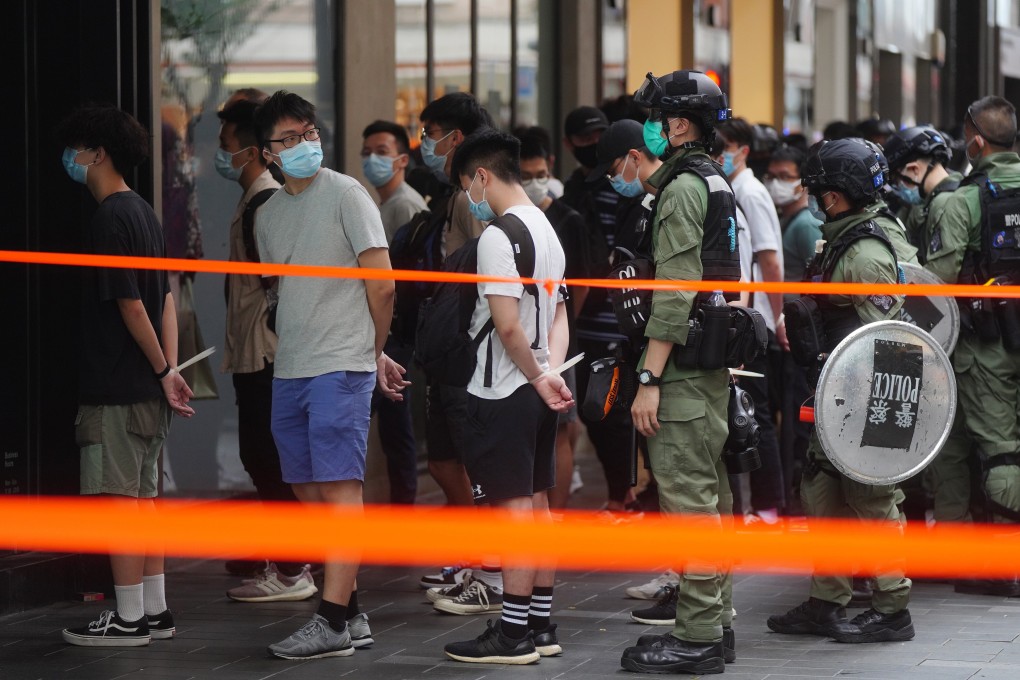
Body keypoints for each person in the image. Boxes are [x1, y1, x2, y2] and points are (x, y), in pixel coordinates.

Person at [252, 90, 404, 659]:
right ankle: (352, 611)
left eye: (309, 133)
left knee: (339, 489)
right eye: (289, 138)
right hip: (291, 364)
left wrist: (372, 350)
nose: (304, 144)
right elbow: (282, 291)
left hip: (340, 364)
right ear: (267, 153)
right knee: (306, 487)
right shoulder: (268, 214)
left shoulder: (346, 193)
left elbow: (382, 286)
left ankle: (332, 620)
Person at [57, 105, 195, 647]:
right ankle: (155, 611)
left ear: (98, 153)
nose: (69, 159)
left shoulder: (109, 219)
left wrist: (163, 370)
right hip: (147, 389)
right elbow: (166, 300)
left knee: (120, 503)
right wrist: (168, 371)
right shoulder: (144, 214)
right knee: (144, 500)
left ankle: (129, 618)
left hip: (116, 387)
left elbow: (131, 303)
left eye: (76, 149)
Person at [767, 138, 914, 644]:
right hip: (837, 395)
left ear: (835, 195)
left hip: (866, 398)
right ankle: (826, 601)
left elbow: (888, 342)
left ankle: (893, 609)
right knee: (822, 491)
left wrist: (872, 420)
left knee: (872, 499)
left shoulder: (866, 253)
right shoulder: (843, 240)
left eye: (818, 190)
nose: (813, 197)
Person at [618, 69, 739, 675]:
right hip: (707, 369)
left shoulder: (684, 188)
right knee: (710, 499)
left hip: (683, 372)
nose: (652, 129)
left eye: (658, 119)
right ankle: (715, 626)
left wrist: (649, 379)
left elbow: (674, 291)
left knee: (690, 505)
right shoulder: (713, 179)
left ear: (681, 125)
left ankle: (697, 638)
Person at [442, 128, 572, 665]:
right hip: (538, 388)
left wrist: (536, 375)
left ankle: (512, 633)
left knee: (515, 512)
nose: (467, 198)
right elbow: (559, 314)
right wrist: (550, 372)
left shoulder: (498, 237)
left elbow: (507, 325)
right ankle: (538, 624)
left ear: (481, 176)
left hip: (503, 388)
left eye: (465, 186)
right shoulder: (546, 228)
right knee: (538, 509)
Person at [212, 99, 318, 602]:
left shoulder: (265, 203)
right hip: (257, 349)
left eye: (226, 144)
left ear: (252, 151)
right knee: (263, 456)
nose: (220, 153)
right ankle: (289, 561)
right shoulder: (256, 199)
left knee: (268, 457)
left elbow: (278, 282)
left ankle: (293, 569)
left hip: (267, 352)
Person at [413, 93, 505, 598]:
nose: (426, 145)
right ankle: (475, 557)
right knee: (445, 460)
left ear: (457, 139)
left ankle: (485, 566)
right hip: (453, 345)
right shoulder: (458, 194)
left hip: (467, 348)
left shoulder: (476, 198)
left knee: (468, 462)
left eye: (431, 135)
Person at [945, 97, 1020, 596]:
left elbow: (939, 284)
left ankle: (1005, 567)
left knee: (1000, 453)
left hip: (987, 346)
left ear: (976, 142)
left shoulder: (963, 201)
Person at [884, 125, 973, 525]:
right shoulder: (944, 198)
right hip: (959, 336)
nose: (900, 186)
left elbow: (938, 282)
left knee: (950, 443)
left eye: (900, 176)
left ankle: (952, 533)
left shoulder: (945, 203)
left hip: (954, 339)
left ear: (915, 169)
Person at [516, 130, 593, 510]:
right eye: (526, 176)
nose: (535, 183)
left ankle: (556, 515)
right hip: (517, 345)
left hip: (557, 346)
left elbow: (579, 288)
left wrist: (558, 328)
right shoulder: (507, 222)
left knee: (559, 430)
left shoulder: (568, 219)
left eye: (541, 174)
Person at [716, 117, 787, 522]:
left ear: (743, 151)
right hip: (746, 318)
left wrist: (777, 317)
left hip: (752, 321)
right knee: (744, 411)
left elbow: (769, 260)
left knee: (754, 412)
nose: (720, 156)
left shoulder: (750, 193)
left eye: (725, 148)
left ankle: (767, 505)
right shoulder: (732, 188)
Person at [361, 119, 428, 506]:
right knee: (391, 423)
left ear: (402, 159)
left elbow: (401, 279)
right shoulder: (384, 203)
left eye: (381, 152)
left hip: (396, 332)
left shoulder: (404, 204)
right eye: (367, 153)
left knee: (393, 421)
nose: (372, 159)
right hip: (389, 330)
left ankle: (403, 507)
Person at [765, 144, 822, 512]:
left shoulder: (805, 225)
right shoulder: (786, 219)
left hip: (797, 334)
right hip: (788, 333)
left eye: (785, 177)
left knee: (796, 417)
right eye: (772, 176)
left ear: (803, 182)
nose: (776, 183)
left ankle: (796, 494)